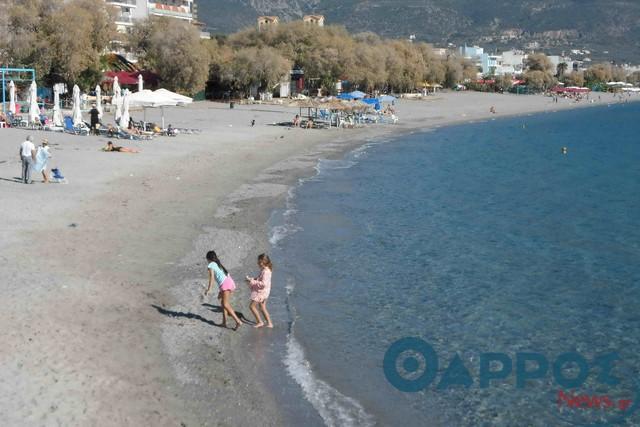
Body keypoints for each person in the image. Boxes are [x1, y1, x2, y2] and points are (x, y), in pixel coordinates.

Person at [204, 250, 242, 330]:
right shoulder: (218, 263)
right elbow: (222, 276)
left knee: (225, 304)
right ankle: (224, 323)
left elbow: (212, 278)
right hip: (229, 281)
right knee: (223, 303)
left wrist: (209, 289)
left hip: (225, 284)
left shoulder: (211, 264)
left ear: (208, 259)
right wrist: (220, 292)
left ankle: (238, 321)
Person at [245, 254, 273, 328]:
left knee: (252, 306)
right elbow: (260, 279)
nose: (258, 264)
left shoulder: (266, 272)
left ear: (263, 262)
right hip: (265, 292)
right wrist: (252, 279)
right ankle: (270, 323)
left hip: (261, 293)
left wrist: (252, 282)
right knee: (262, 307)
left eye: (259, 262)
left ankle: (260, 322)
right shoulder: (265, 270)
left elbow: (263, 284)